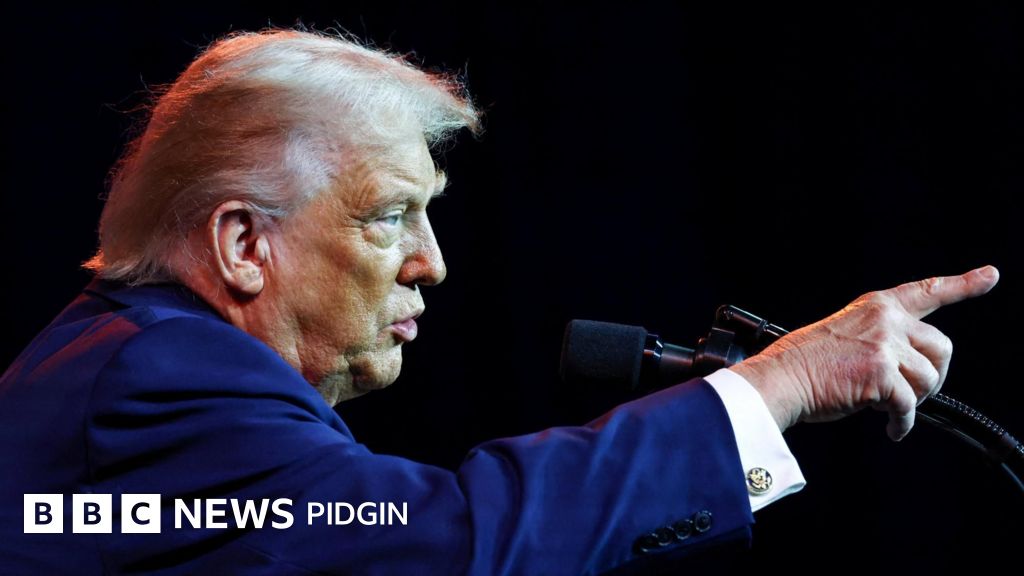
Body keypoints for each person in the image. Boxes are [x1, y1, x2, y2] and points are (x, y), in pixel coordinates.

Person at [0, 28, 1000, 575]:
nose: (432, 263)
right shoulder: (160, 381)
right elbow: (456, 541)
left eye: (429, 215)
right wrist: (779, 384)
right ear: (242, 245)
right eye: (389, 215)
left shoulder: (121, 359)